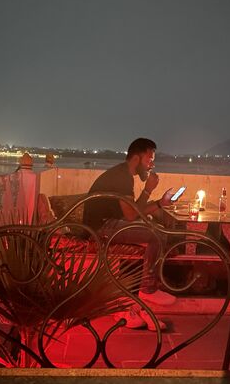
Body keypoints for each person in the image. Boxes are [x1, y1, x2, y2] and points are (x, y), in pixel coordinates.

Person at [82, 138, 176, 330]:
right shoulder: (122, 177)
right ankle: (147, 289)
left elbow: (133, 212)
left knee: (155, 228)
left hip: (109, 223)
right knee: (157, 234)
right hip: (99, 228)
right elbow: (132, 215)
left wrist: (160, 204)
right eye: (149, 160)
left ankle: (141, 296)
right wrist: (149, 190)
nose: (152, 165)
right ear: (136, 158)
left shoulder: (124, 174)